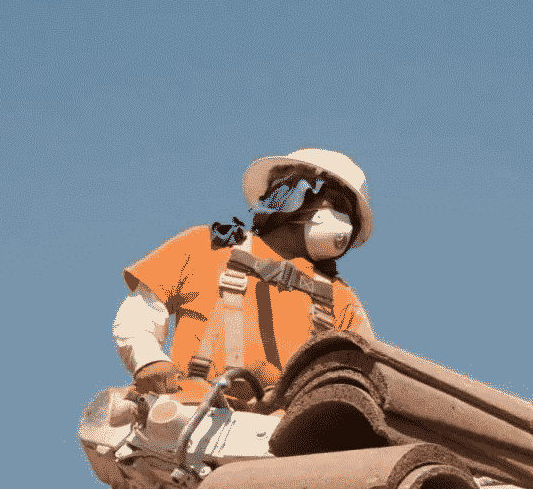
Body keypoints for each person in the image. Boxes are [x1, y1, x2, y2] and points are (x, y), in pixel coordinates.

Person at [112, 149, 377, 410]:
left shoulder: (339, 297)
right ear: (295, 194)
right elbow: (142, 310)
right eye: (338, 205)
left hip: (285, 437)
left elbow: (368, 374)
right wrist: (148, 360)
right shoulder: (207, 246)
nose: (347, 224)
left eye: (351, 214)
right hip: (195, 413)